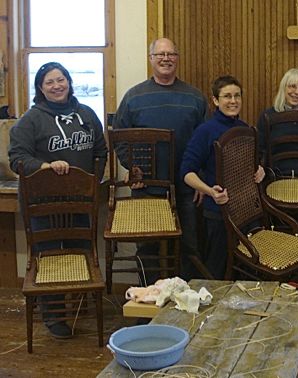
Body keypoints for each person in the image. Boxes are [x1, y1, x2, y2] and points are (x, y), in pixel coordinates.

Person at [8, 61, 107, 339]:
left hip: (79, 202)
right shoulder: (30, 120)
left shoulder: (86, 114)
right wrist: (45, 167)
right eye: (49, 82)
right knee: (49, 257)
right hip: (43, 204)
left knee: (79, 254)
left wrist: (92, 181)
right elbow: (17, 159)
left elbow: (100, 150)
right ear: (40, 87)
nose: (57, 86)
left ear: (69, 82)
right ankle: (53, 317)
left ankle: (76, 307)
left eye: (61, 79)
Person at [114, 38, 208, 283]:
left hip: (187, 188)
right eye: (160, 54)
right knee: (147, 250)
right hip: (146, 189)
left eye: (171, 54)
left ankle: (187, 302)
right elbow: (120, 138)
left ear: (177, 58)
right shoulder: (133, 98)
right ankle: (148, 301)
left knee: (190, 248)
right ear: (151, 59)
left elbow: (206, 142)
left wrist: (202, 179)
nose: (166, 59)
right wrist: (131, 167)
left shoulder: (195, 98)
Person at [180, 75, 265, 279]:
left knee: (247, 270)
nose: (233, 101)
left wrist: (259, 169)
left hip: (247, 211)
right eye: (227, 96)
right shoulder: (205, 131)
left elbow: (249, 165)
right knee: (218, 271)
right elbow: (186, 172)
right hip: (219, 213)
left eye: (237, 96)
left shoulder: (246, 129)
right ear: (216, 101)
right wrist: (209, 191)